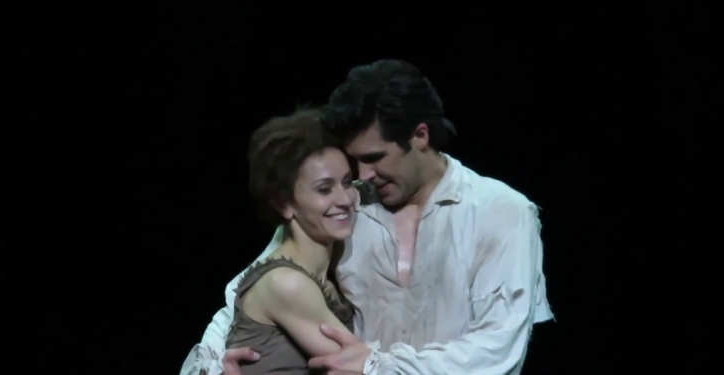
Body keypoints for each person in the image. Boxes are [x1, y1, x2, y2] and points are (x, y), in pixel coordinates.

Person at [181, 59, 554, 375]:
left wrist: (378, 367)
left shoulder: (502, 212)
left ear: (420, 135)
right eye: (354, 160)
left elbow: (499, 349)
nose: (363, 174)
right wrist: (211, 366)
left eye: (374, 158)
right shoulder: (346, 206)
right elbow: (246, 291)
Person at [201, 108, 360, 374]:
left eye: (347, 182)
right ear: (284, 204)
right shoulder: (286, 283)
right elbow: (364, 367)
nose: (344, 199)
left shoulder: (323, 276)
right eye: (324, 189)